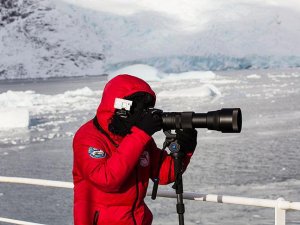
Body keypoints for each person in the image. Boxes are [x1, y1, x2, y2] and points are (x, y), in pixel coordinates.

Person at [72, 74, 197, 225]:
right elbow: (107, 180)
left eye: (145, 108)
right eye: (136, 107)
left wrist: (185, 149)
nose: (141, 113)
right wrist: (140, 134)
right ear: (118, 107)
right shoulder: (88, 137)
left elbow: (164, 174)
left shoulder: (138, 137)